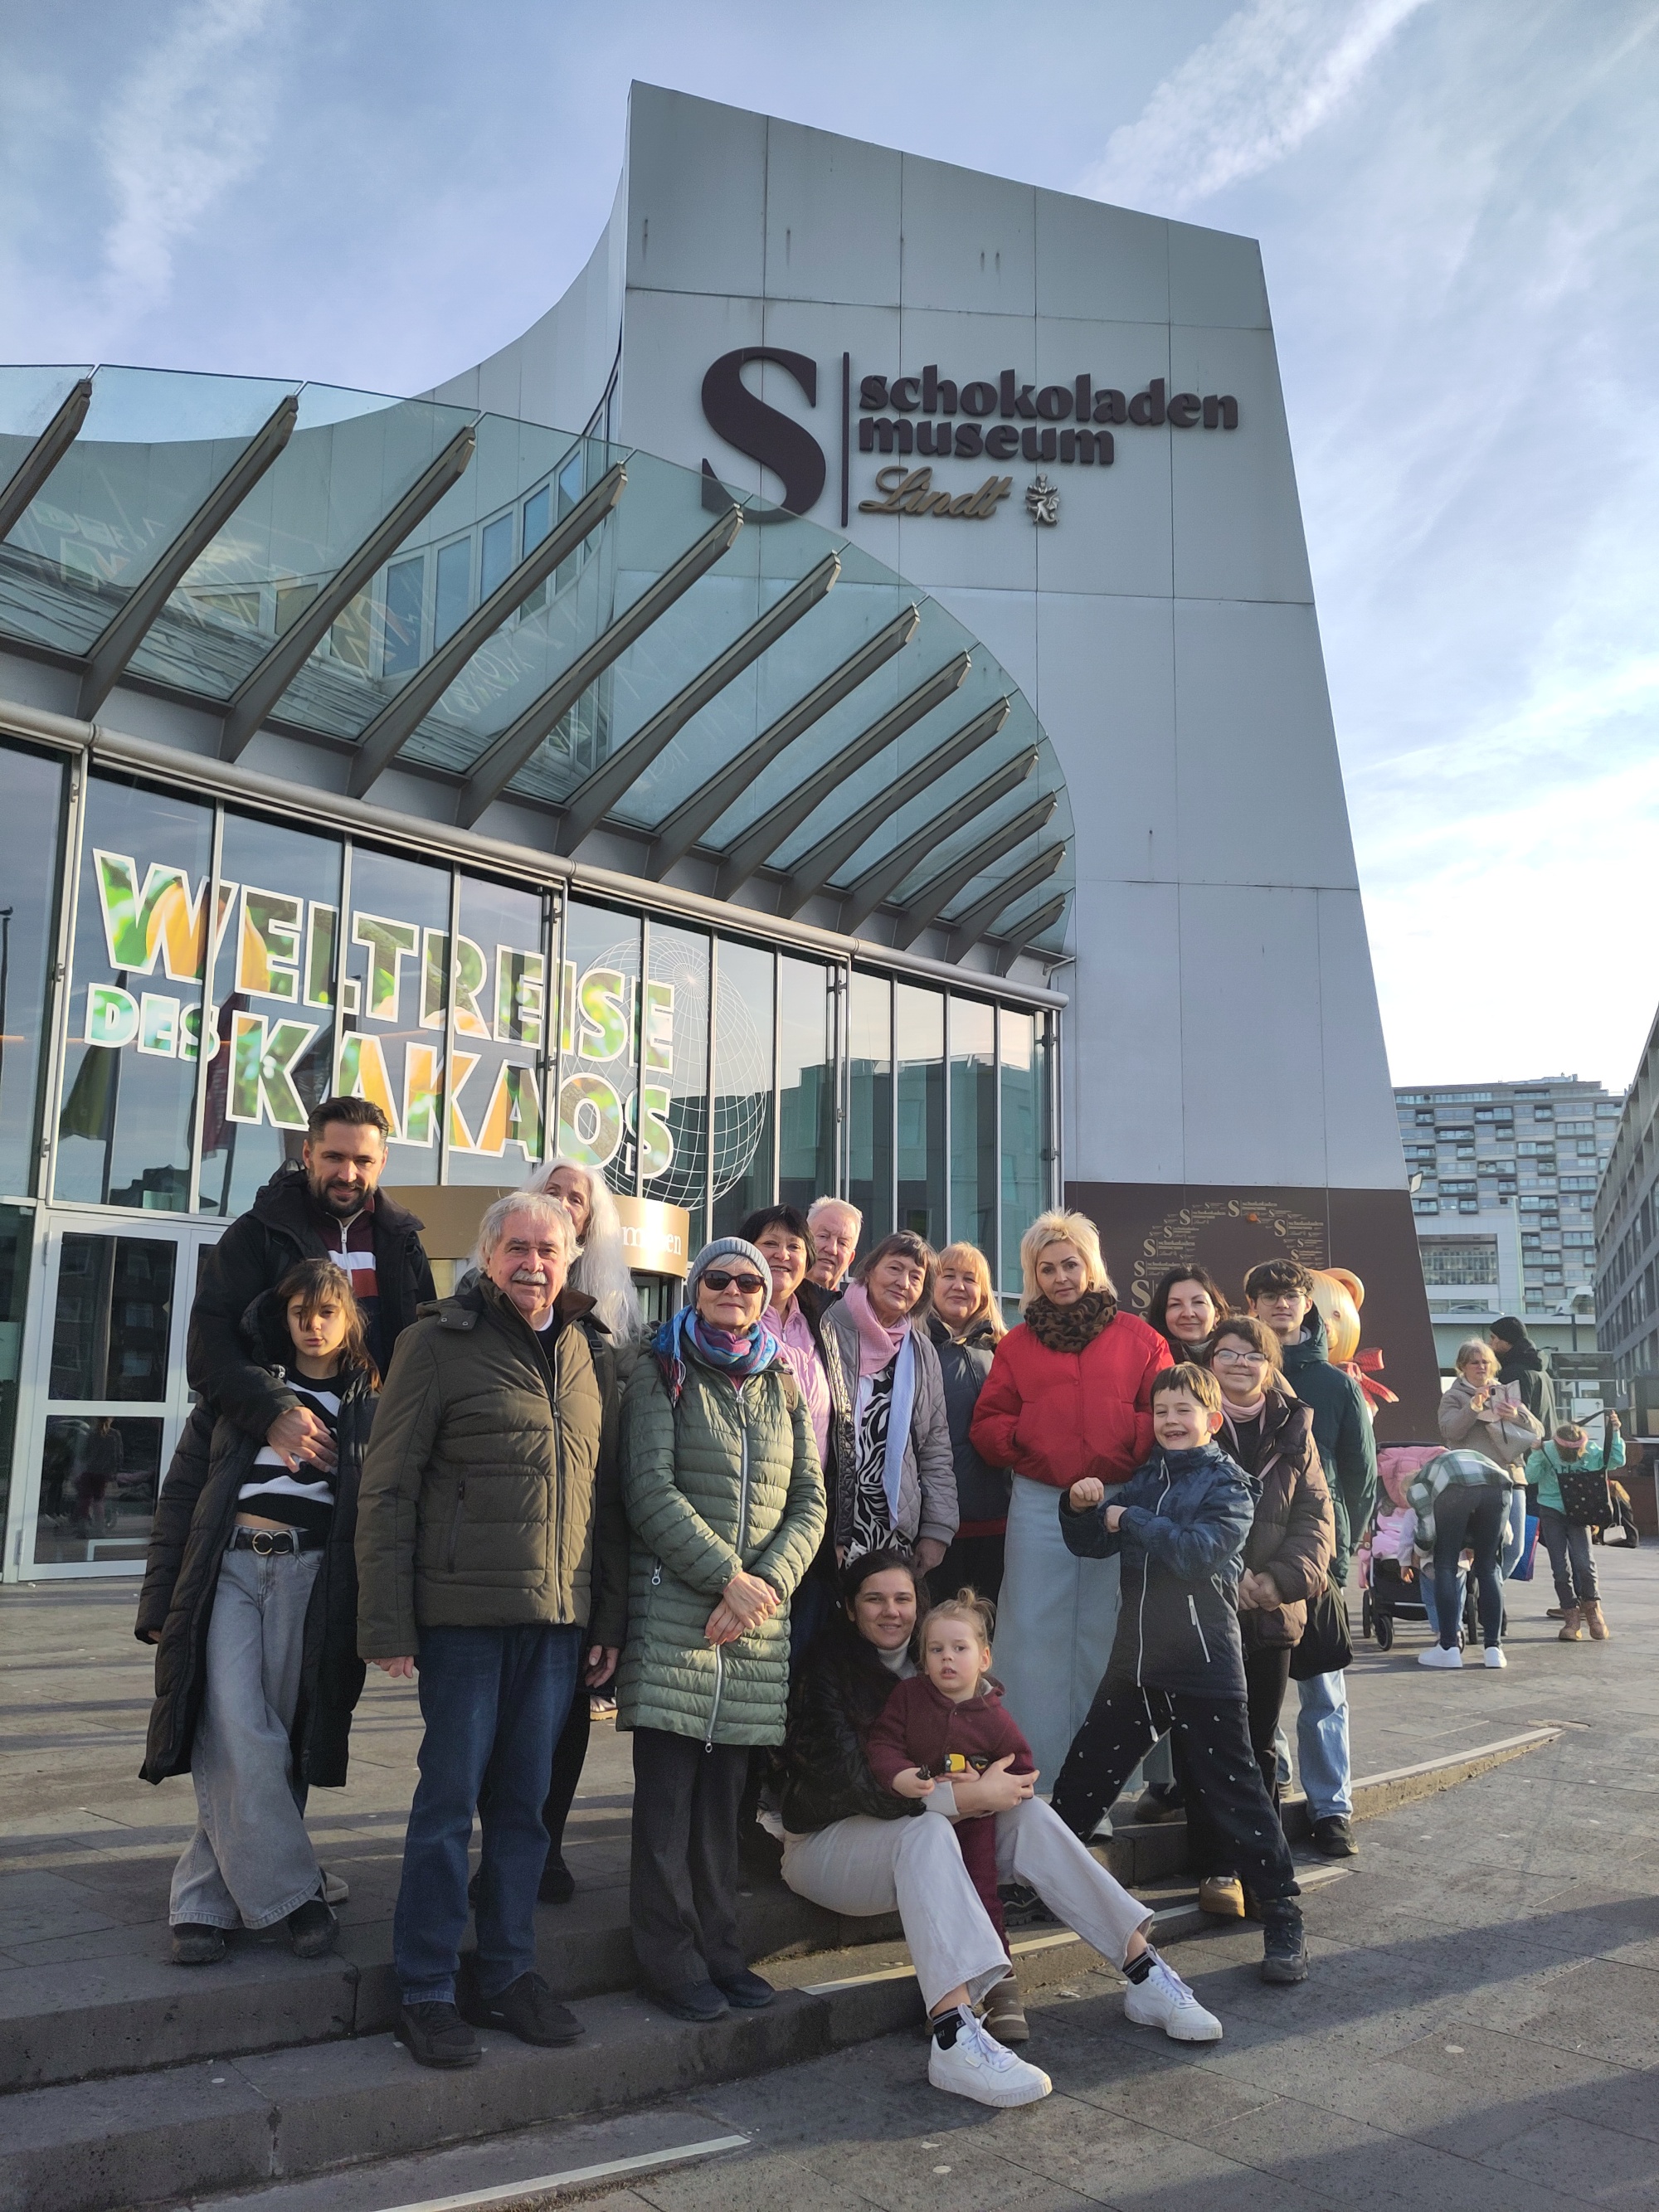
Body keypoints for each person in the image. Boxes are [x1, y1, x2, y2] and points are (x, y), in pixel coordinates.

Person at [778, 1548, 1224, 2111]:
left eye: (902, 1598)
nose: (890, 1611)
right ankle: (952, 2035)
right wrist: (970, 1795)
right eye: (874, 1598)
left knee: (1030, 1812)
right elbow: (853, 1784)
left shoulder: (940, 1658)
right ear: (849, 1607)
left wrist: (1003, 1783)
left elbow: (996, 1745)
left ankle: (1144, 1970)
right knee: (929, 1832)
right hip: (829, 1842)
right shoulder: (825, 1670)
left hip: (924, 1834)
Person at [356, 1193, 615, 2071]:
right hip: (462, 1623)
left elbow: (600, 1504)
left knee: (523, 1812)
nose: (532, 1263)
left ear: (570, 1258)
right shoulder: (433, 1345)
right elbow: (387, 1488)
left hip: (553, 1627)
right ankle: (424, 1987)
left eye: (548, 1248)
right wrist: (387, 1620)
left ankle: (505, 1973)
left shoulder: (588, 1354)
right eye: (515, 1248)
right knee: (444, 1809)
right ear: (486, 1256)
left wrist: (602, 1620)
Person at [137, 1259, 375, 1966]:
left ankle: (205, 1906)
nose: (311, 1322)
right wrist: (159, 1600)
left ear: (348, 1319)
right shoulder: (245, 1394)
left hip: (313, 1577)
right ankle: (296, 1895)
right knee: (236, 1724)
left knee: (270, 1738)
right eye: (299, 1308)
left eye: (326, 1310)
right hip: (233, 1568)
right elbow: (182, 1491)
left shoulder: (370, 1402)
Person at [616, 1237, 825, 2023]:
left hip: (753, 1628)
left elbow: (811, 1497)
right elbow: (648, 1488)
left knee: (722, 1807)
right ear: (696, 1289)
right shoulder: (659, 1368)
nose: (734, 1289)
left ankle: (721, 1950)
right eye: (719, 1278)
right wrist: (728, 1578)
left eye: (749, 1280)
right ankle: (667, 1959)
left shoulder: (782, 1379)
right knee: (667, 1804)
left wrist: (764, 1585)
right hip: (681, 1615)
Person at [1048, 1364, 1310, 1986]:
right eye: (1162, 1409)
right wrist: (1079, 1508)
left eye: (1184, 1410)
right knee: (1083, 1779)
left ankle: (1282, 1916)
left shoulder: (1232, 1485)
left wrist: (1124, 1519)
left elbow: (1196, 1552)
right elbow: (1092, 1543)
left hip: (1205, 1662)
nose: (1170, 1420)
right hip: (1137, 1662)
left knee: (1236, 1792)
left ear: (1211, 1420)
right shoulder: (1145, 1479)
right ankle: (1037, 1884)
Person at [970, 1211, 1170, 1787]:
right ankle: (1036, 1772)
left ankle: (1110, 1781)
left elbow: (1159, 1412)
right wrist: (1038, 1447)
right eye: (1047, 1267)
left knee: (1109, 1631)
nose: (1060, 1276)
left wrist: (1116, 1454)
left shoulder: (1140, 1339)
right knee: (1031, 1631)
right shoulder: (1018, 1345)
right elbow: (989, 1422)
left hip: (1120, 1497)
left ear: (1091, 1266)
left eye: (1070, 1264)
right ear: (1034, 1275)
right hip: (1039, 1501)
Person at [522, 1158, 640, 1900]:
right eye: (554, 1191)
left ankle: (548, 1842)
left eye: (579, 1198)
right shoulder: (479, 1309)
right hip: (496, 1556)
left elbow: (615, 1471)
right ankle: (506, 1843)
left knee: (566, 1718)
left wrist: (613, 1602)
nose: (566, 1204)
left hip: (578, 1558)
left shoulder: (610, 1330)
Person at [1192, 1317, 1332, 1918]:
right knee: (1207, 1742)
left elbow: (1316, 1518)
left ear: (1269, 1363)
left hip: (1274, 1612)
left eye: (1253, 1355)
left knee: (1259, 1743)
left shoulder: (1296, 1427)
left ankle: (1262, 1863)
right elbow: (1175, 1505)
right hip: (1205, 1610)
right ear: (1210, 1359)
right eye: (1227, 1352)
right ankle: (1217, 1865)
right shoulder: (1190, 1417)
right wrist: (1226, 1579)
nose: (1240, 1363)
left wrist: (1276, 1581)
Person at [190, 1096, 434, 1420]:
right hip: (276, 1447)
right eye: (334, 1157)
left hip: (377, 1446)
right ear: (308, 1155)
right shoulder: (258, 1233)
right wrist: (274, 1413)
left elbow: (427, 1349)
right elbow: (208, 1345)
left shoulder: (404, 1243)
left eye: (364, 1161)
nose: (348, 1175)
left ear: (383, 1161)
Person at [1244, 1259, 1375, 1860]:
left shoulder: (1337, 1384)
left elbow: (1360, 1478)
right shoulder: (1238, 1372)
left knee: (1324, 1690)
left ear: (1307, 1304)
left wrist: (1341, 1555)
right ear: (1251, 1306)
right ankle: (1276, 1777)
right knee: (1259, 1687)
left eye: (1289, 1296)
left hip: (1317, 1560)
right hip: (1252, 1561)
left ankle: (1332, 1806)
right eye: (1267, 1296)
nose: (1279, 1306)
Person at [866, 1590, 1034, 2021]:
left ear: (984, 1658)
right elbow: (883, 1742)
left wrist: (986, 1784)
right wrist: (900, 1774)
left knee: (982, 1896)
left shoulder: (994, 1715)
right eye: (936, 1649)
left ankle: (1001, 1985)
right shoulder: (908, 1697)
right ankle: (949, 1993)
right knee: (936, 1904)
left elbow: (1022, 1766)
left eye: (960, 1649)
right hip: (922, 1822)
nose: (947, 1659)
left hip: (975, 1825)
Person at [819, 1232, 957, 1574]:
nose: (903, 1282)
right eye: (895, 1268)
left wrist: (938, 1529)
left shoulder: (921, 1352)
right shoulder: (826, 1326)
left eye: (915, 1277)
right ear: (869, 1271)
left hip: (890, 1526)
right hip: (823, 1517)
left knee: (882, 1621)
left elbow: (935, 1446)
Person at [926, 1242, 1011, 1602]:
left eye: (970, 1279)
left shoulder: (1002, 1351)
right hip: (935, 1529)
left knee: (987, 1633)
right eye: (949, 1276)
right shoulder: (912, 1347)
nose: (960, 1286)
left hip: (998, 1524)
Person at [1438, 1336, 1544, 1585]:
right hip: (1472, 1481)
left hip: (1511, 1475)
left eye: (1486, 1362)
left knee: (1515, 1548)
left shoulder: (1505, 1392)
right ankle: (1483, 1598)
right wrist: (1473, 1408)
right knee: (1476, 1548)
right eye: (1474, 1362)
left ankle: (1486, 1590)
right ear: (1462, 1366)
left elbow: (1538, 1430)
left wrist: (1517, 1415)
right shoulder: (1453, 1397)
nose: (1481, 1367)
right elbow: (1451, 1432)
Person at [1406, 1441, 1517, 1670]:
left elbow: (1427, 1530)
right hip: (1500, 1486)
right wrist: (1481, 1543)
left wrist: (1418, 1552)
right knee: (1489, 1568)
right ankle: (1494, 1650)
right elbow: (1506, 1536)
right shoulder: (1480, 1463)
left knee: (1445, 1565)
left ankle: (1448, 1648)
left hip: (1454, 1488)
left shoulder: (1419, 1485)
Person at [1527, 1415, 1624, 1641]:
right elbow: (1532, 1477)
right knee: (1559, 1565)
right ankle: (1571, 1616)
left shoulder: (1590, 1450)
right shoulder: (1547, 1449)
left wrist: (1616, 1432)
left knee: (1584, 1560)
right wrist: (1536, 1453)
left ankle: (1593, 1612)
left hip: (1579, 1510)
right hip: (1551, 1509)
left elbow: (1615, 1461)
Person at [1490, 1316, 1559, 1437]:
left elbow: (1512, 1417)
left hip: (1527, 1448)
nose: (1490, 1343)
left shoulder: (1513, 1372)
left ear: (1506, 1341)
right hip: (1546, 1444)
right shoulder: (1542, 1370)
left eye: (1493, 1338)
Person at [1146, 1264, 1229, 1359]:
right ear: (1162, 1314)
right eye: (1175, 1304)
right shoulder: (1147, 1359)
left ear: (1217, 1313)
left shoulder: (1240, 1358)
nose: (1188, 1314)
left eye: (1198, 1302)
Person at [806, 1195, 862, 1295]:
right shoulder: (773, 1305)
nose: (832, 1249)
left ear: (850, 1259)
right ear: (804, 1241)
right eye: (823, 1236)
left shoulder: (849, 1310)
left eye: (843, 1243)